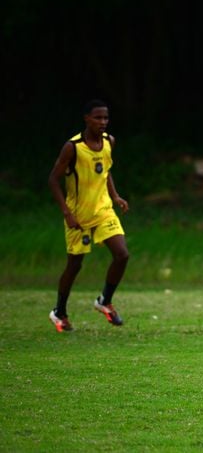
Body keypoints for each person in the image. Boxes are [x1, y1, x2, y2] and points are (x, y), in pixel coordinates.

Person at [47, 99, 130, 332]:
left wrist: (115, 196)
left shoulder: (109, 141)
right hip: (79, 215)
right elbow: (53, 180)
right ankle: (59, 312)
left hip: (103, 210)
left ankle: (104, 301)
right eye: (98, 117)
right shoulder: (73, 147)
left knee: (122, 254)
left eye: (106, 118)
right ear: (87, 119)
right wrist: (67, 213)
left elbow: (105, 171)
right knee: (75, 265)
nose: (103, 122)